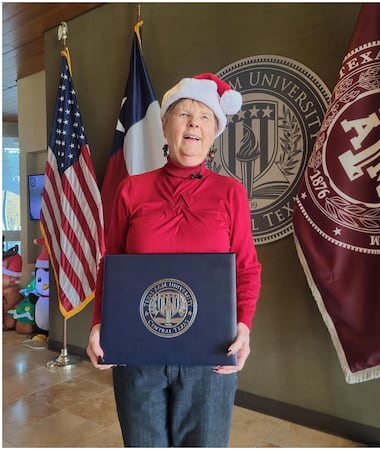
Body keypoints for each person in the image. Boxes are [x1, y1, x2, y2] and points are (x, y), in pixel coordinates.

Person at [86, 73, 262, 447]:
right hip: (138, 354)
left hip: (210, 356)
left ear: (214, 131)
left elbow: (246, 267)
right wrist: (100, 324)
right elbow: (111, 264)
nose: (193, 123)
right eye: (184, 114)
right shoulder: (131, 189)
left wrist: (243, 326)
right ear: (165, 125)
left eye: (204, 117)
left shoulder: (231, 193)